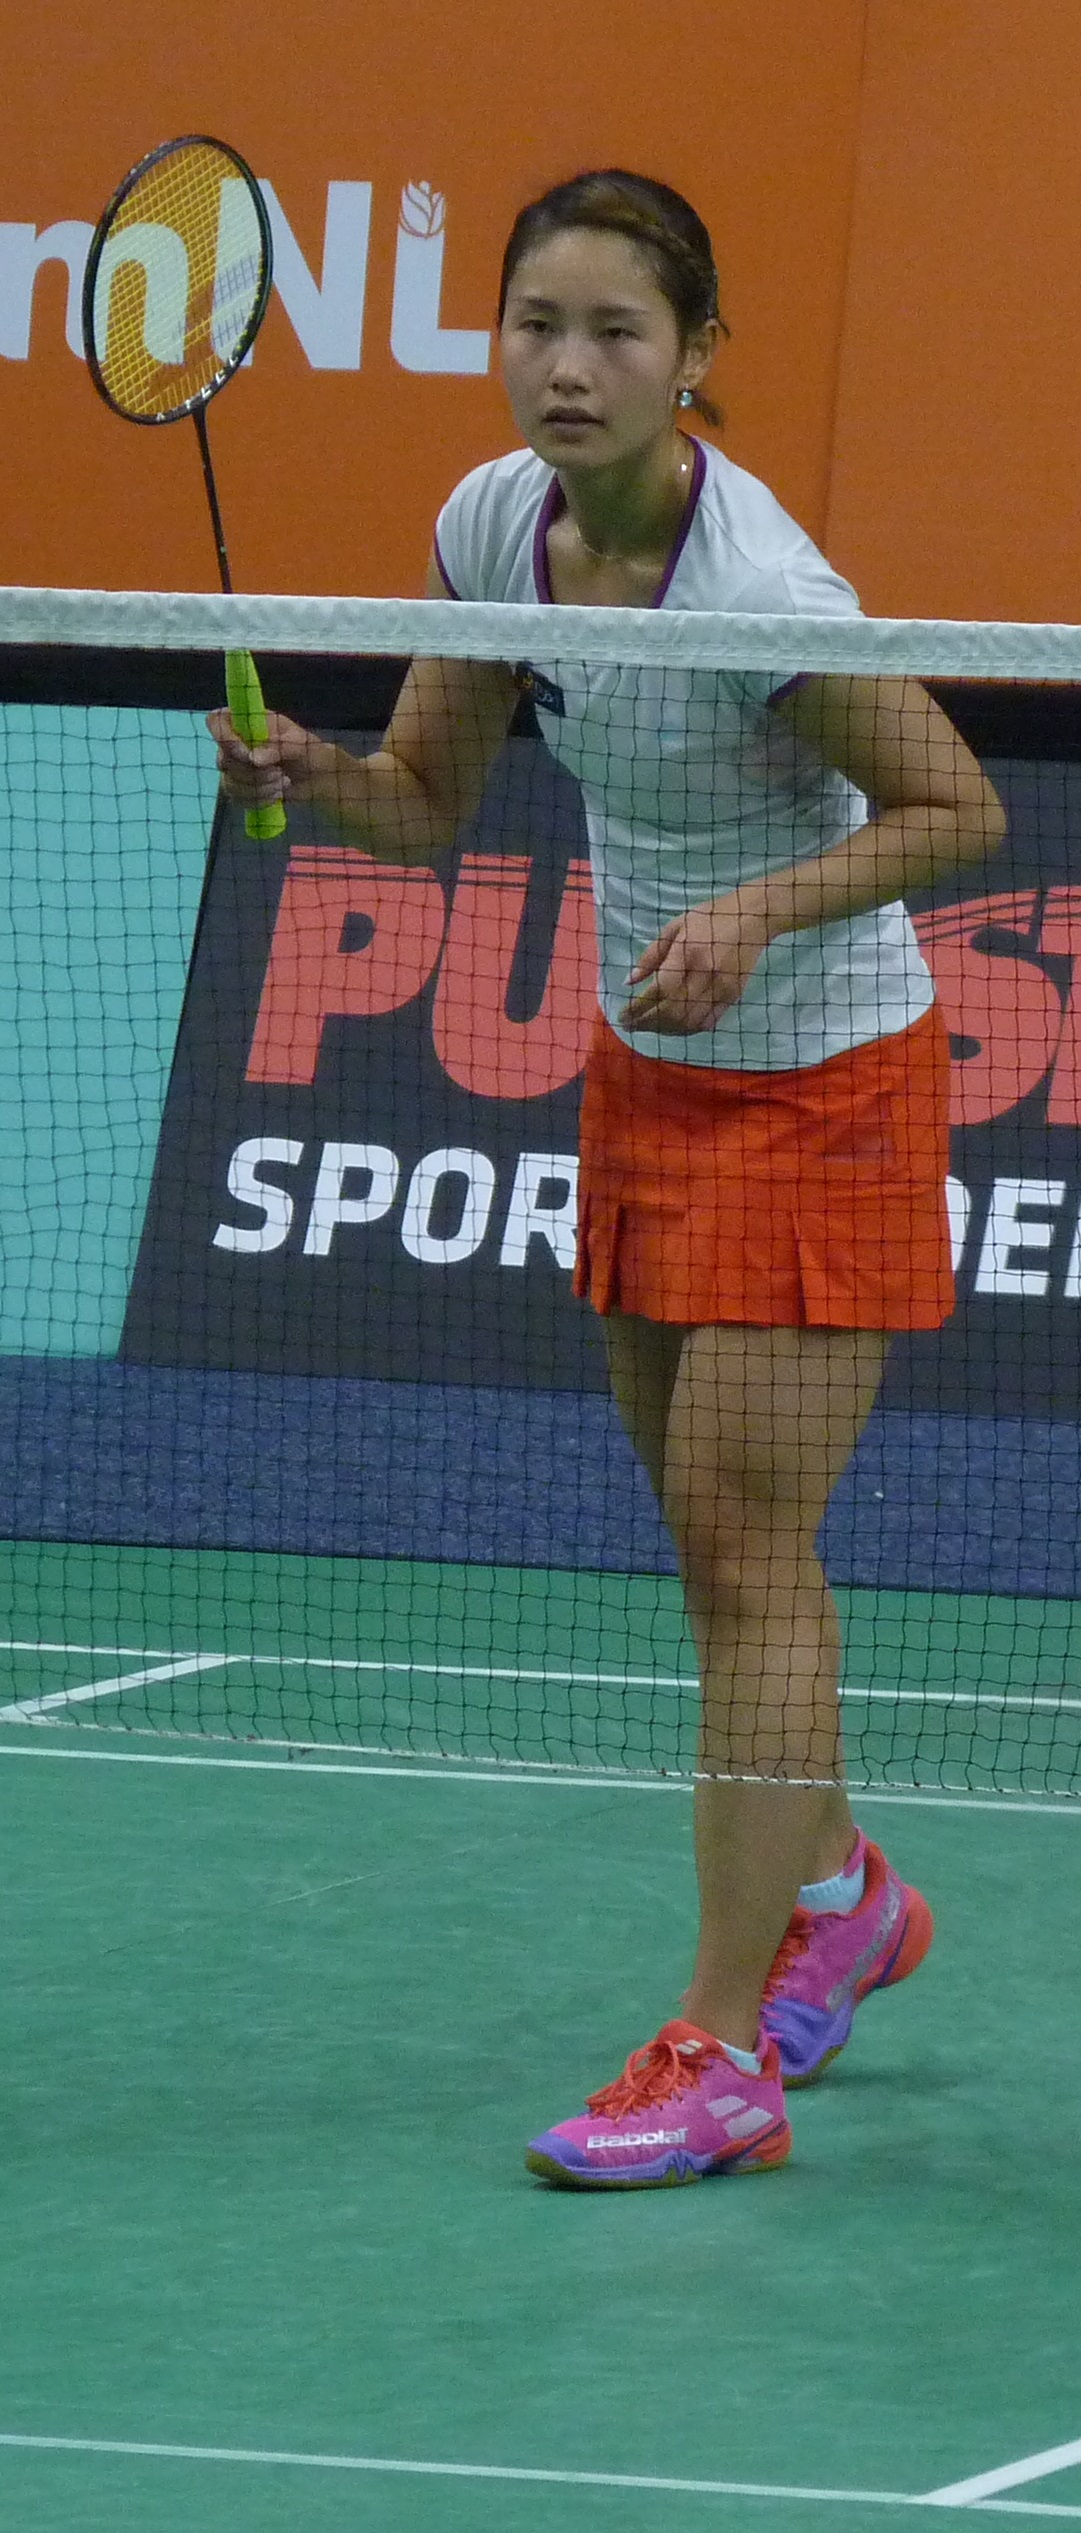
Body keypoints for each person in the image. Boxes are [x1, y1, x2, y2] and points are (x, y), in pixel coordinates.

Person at [210, 170, 1006, 2190]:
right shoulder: (494, 525)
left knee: (745, 1545)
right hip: (652, 1066)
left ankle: (721, 2048)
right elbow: (426, 800)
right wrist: (313, 778)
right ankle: (841, 1895)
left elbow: (955, 805)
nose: (566, 367)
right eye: (536, 324)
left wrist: (759, 909)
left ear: (695, 358)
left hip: (826, 1079)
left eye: (615, 332)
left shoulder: (760, 597)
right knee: (707, 1542)